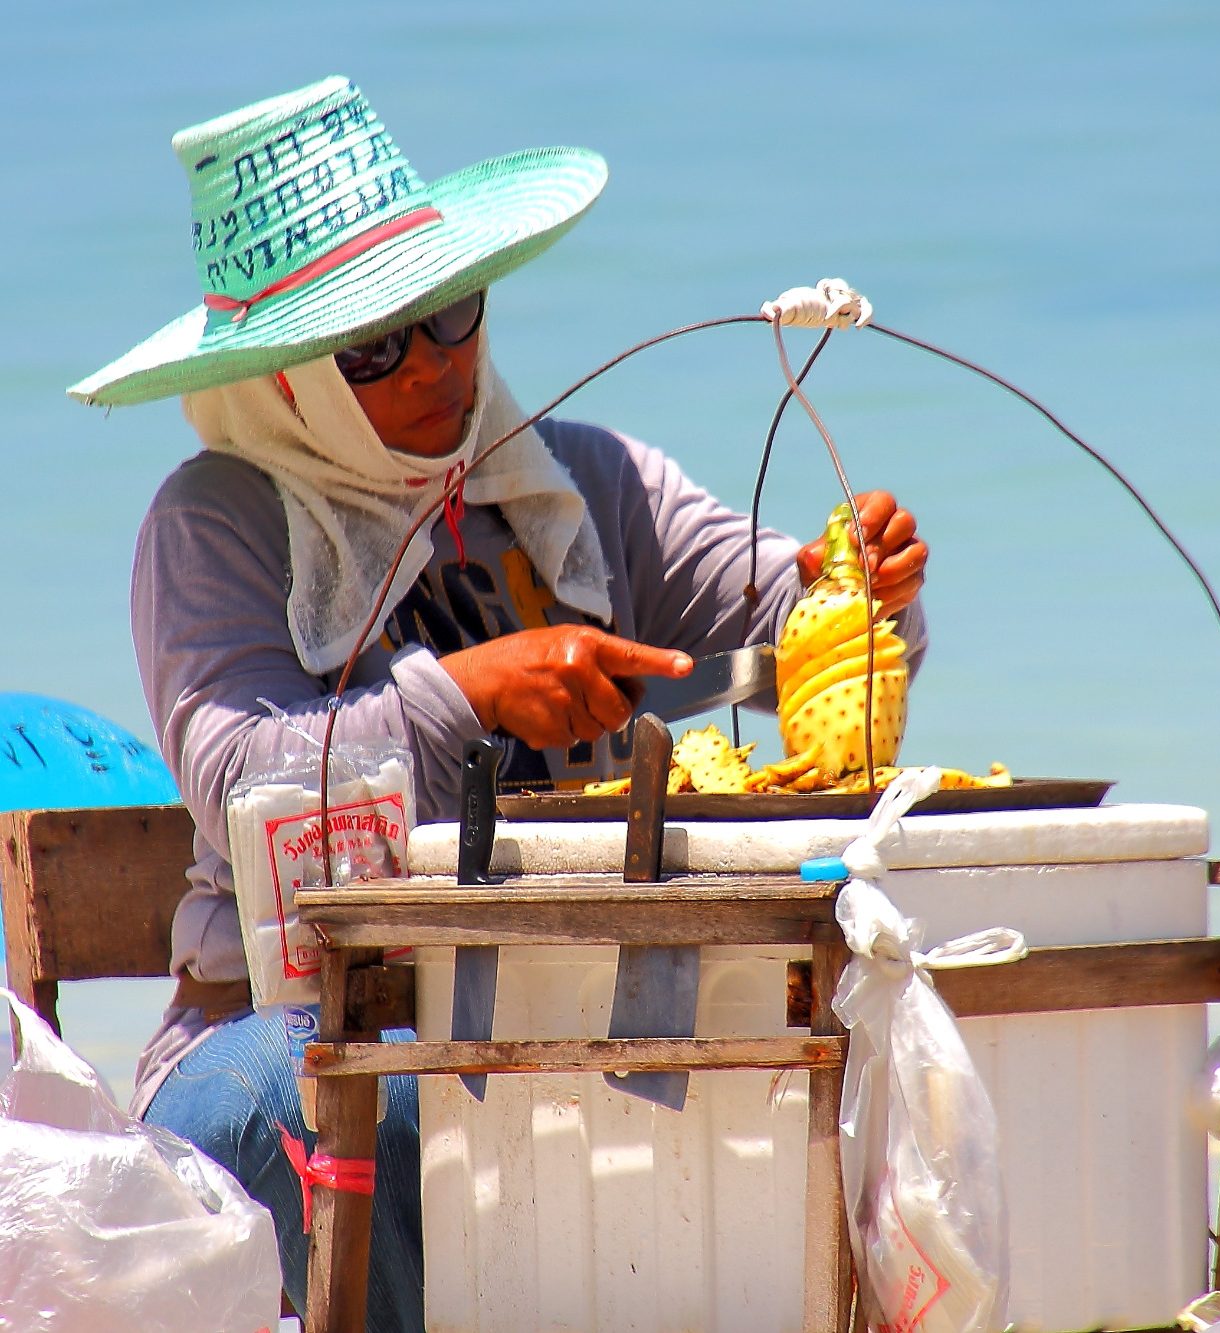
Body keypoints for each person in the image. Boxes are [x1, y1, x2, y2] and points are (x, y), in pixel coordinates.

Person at [68, 76, 928, 1330]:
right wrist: (465, 692)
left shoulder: (577, 484)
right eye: (372, 348)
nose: (434, 368)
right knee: (370, 1098)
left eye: (450, 316)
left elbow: (767, 615)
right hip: (283, 1022)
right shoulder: (219, 522)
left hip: (568, 1012)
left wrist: (858, 583)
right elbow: (242, 772)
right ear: (287, 379)